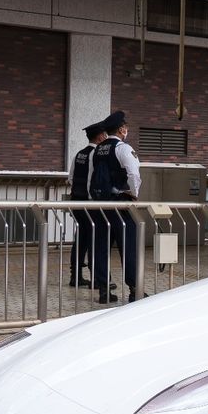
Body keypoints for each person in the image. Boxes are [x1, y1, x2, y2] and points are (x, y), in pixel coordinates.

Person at [88, 111, 143, 303]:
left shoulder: (97, 149)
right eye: (125, 127)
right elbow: (134, 175)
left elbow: (91, 177)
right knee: (128, 247)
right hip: (121, 205)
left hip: (100, 205)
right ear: (121, 129)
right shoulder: (123, 149)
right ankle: (135, 290)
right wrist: (134, 195)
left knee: (101, 247)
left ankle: (104, 291)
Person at [67, 120, 106, 286]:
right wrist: (93, 199)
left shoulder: (79, 154)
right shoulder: (94, 154)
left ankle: (75, 276)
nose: (105, 136)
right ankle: (96, 278)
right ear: (99, 137)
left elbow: (70, 178)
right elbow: (92, 179)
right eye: (104, 134)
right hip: (89, 204)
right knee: (94, 240)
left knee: (81, 238)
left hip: (76, 201)